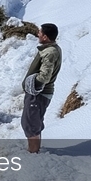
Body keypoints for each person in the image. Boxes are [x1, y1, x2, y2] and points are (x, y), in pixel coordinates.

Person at [22, 23, 62, 153]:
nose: (38, 34)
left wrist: (33, 85)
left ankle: (33, 154)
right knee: (33, 123)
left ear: (45, 36)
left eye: (40, 32)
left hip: (38, 95)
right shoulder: (51, 49)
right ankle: (35, 153)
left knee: (31, 125)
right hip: (40, 94)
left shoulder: (50, 52)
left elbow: (45, 76)